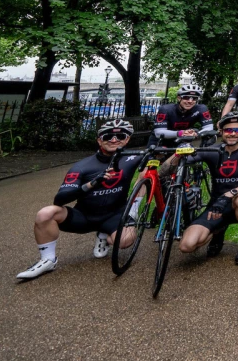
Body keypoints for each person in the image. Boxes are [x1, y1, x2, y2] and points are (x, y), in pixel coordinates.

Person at [16, 120, 144, 280]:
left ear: (127, 139)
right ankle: (47, 260)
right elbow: (60, 199)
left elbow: (162, 160)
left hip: (114, 215)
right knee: (45, 213)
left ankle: (103, 235)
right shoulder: (83, 166)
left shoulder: (132, 158)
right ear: (99, 140)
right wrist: (92, 183)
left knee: (125, 241)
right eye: (108, 136)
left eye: (120, 135)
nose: (114, 139)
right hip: (84, 216)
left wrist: (179, 149)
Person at [178, 111, 238, 264]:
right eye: (228, 130)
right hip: (216, 206)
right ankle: (218, 230)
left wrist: (228, 195)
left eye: (237, 130)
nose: (232, 134)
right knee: (186, 245)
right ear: (221, 132)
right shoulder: (213, 149)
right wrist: (179, 152)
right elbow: (169, 168)